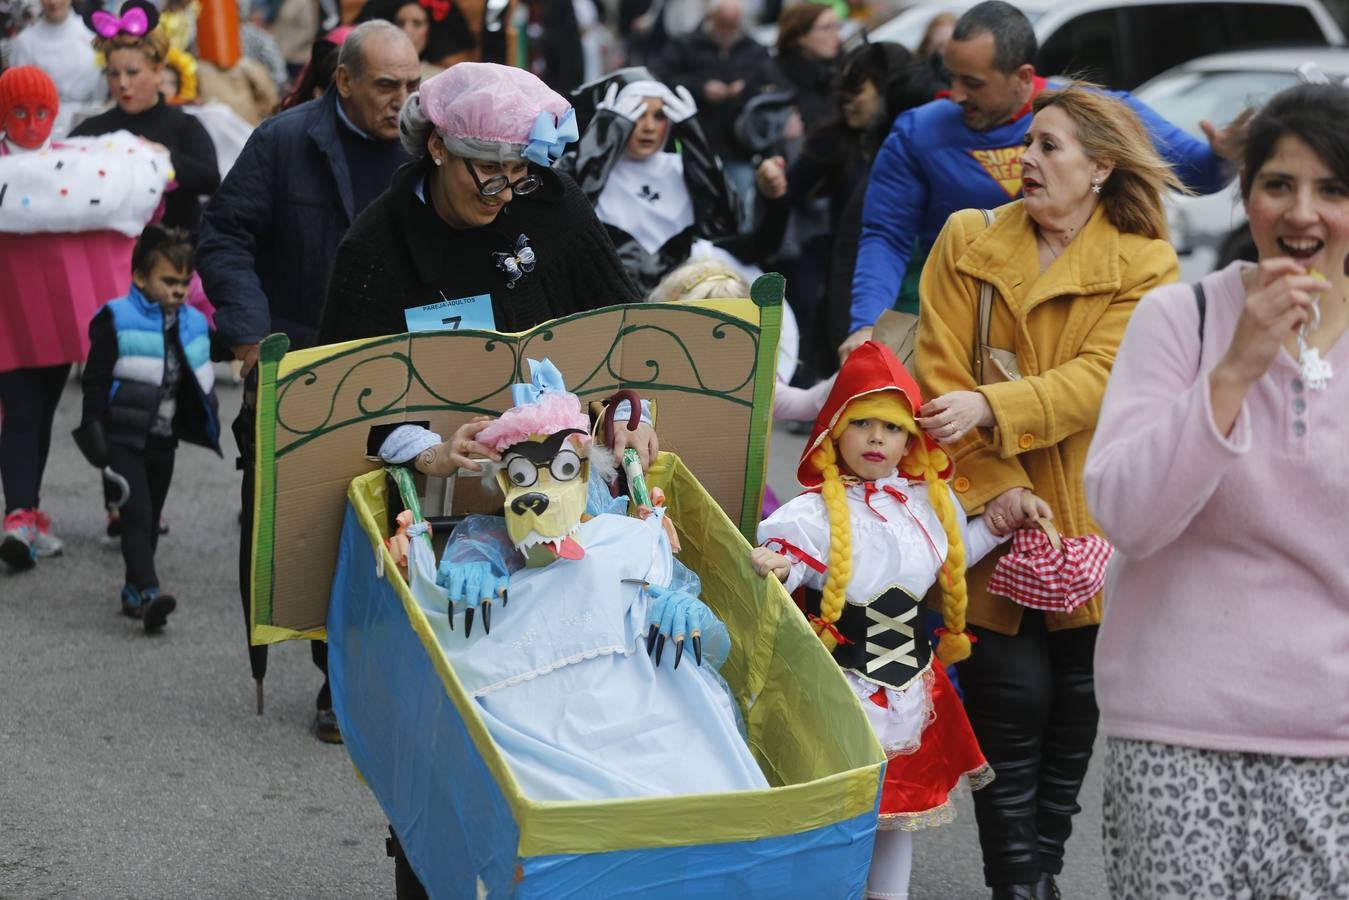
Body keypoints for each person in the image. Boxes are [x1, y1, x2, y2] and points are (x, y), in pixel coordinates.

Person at [912, 83, 1181, 899]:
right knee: (1007, 703)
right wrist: (997, 489)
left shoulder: (1144, 262)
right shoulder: (966, 239)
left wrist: (995, 405)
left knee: (1073, 709)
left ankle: (1043, 873)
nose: (1025, 159)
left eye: (1049, 146)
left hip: (1094, 519)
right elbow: (936, 378)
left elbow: (1104, 378)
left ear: (1101, 167)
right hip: (990, 516)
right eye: (1028, 143)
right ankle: (1016, 884)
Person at [1083, 82, 1349, 898]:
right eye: (1278, 184)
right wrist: (1233, 368)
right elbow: (1126, 514)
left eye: (1331, 189)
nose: (1301, 213)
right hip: (1172, 730)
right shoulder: (1180, 320)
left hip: (1333, 744)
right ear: (1247, 194)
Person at [196, 19, 420, 743]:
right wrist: (253, 338)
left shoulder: (432, 149)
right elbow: (225, 236)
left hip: (402, 368)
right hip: (304, 367)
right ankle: (335, 680)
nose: (403, 101)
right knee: (322, 523)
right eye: (387, 85)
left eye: (412, 85)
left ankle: (375, 673)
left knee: (399, 519)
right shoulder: (284, 141)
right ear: (344, 80)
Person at [843, 0, 1245, 359]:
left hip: (1068, 330)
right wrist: (865, 324)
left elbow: (1197, 174)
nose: (956, 94)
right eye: (953, 77)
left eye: (974, 83)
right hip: (962, 326)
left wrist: (1224, 156)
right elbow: (886, 235)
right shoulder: (919, 130)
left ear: (1022, 76)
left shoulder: (1092, 115)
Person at [753, 340, 1010, 900]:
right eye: (862, 422)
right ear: (834, 432)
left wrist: (1000, 524)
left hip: (912, 688)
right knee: (836, 816)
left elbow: (956, 552)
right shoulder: (811, 513)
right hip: (839, 686)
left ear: (910, 439)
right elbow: (793, 567)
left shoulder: (926, 504)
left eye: (891, 428)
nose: (876, 438)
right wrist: (779, 567)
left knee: (902, 812)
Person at [316, 62, 642, 345]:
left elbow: (629, 326)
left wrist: (625, 409)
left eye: (520, 171)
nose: (505, 194)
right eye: (489, 170)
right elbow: (345, 394)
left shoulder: (555, 204)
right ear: (438, 147)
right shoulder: (374, 249)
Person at [76, 225, 221, 633]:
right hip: (124, 436)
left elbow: (215, 349)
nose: (178, 290)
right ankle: (151, 591)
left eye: (184, 282)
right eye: (168, 281)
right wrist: (92, 425)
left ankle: (133, 594)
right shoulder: (116, 317)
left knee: (151, 514)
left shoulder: (191, 321)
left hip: (163, 439)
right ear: (140, 277)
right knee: (136, 515)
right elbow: (95, 377)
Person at [558, 71, 741, 296]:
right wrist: (604, 137)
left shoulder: (683, 169)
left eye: (659, 116)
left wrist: (695, 139)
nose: (649, 127)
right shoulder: (581, 165)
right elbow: (565, 214)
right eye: (638, 114)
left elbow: (723, 224)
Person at [70, 0, 220, 233]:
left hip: (175, 250)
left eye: (132, 72)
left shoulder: (184, 125)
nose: (122, 84)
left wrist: (167, 157)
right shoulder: (92, 129)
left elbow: (210, 180)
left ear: (158, 71)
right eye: (113, 73)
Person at [654, 0, 771, 208]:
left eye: (732, 25)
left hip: (738, 145)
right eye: (722, 24)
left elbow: (769, 84)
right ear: (711, 20)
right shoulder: (685, 45)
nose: (727, 32)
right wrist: (701, 88)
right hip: (697, 140)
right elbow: (662, 78)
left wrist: (744, 89)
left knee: (739, 206)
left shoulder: (754, 49)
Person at [7, 0, 104, 134]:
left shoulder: (91, 38)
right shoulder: (25, 43)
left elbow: (101, 91)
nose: (53, 2)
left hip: (86, 127)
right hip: (38, 130)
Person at [354, 0, 475, 78]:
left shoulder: (441, 77)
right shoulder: (375, 72)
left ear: (430, 30)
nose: (407, 30)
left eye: (417, 23)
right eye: (400, 23)